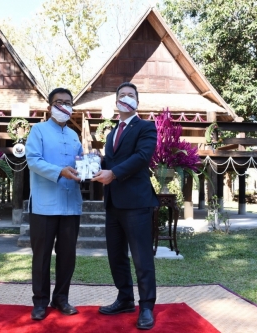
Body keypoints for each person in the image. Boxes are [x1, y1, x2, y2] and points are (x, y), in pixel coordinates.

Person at [92, 82, 159, 330]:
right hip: (113, 202)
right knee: (116, 255)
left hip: (137, 202)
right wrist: (93, 165)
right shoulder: (111, 133)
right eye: (122, 95)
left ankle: (147, 307)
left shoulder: (146, 127)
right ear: (117, 102)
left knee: (141, 257)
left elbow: (142, 157)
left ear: (137, 102)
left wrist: (114, 174)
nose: (127, 98)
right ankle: (124, 299)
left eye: (131, 95)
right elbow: (110, 160)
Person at [25, 87, 83, 321]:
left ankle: (61, 299)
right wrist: (60, 171)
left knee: (67, 255)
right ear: (49, 107)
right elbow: (33, 161)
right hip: (44, 205)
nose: (63, 106)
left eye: (68, 103)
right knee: (41, 256)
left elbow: (79, 165)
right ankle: (40, 302)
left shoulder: (74, 135)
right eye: (58, 102)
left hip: (71, 205)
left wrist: (90, 165)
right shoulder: (38, 131)